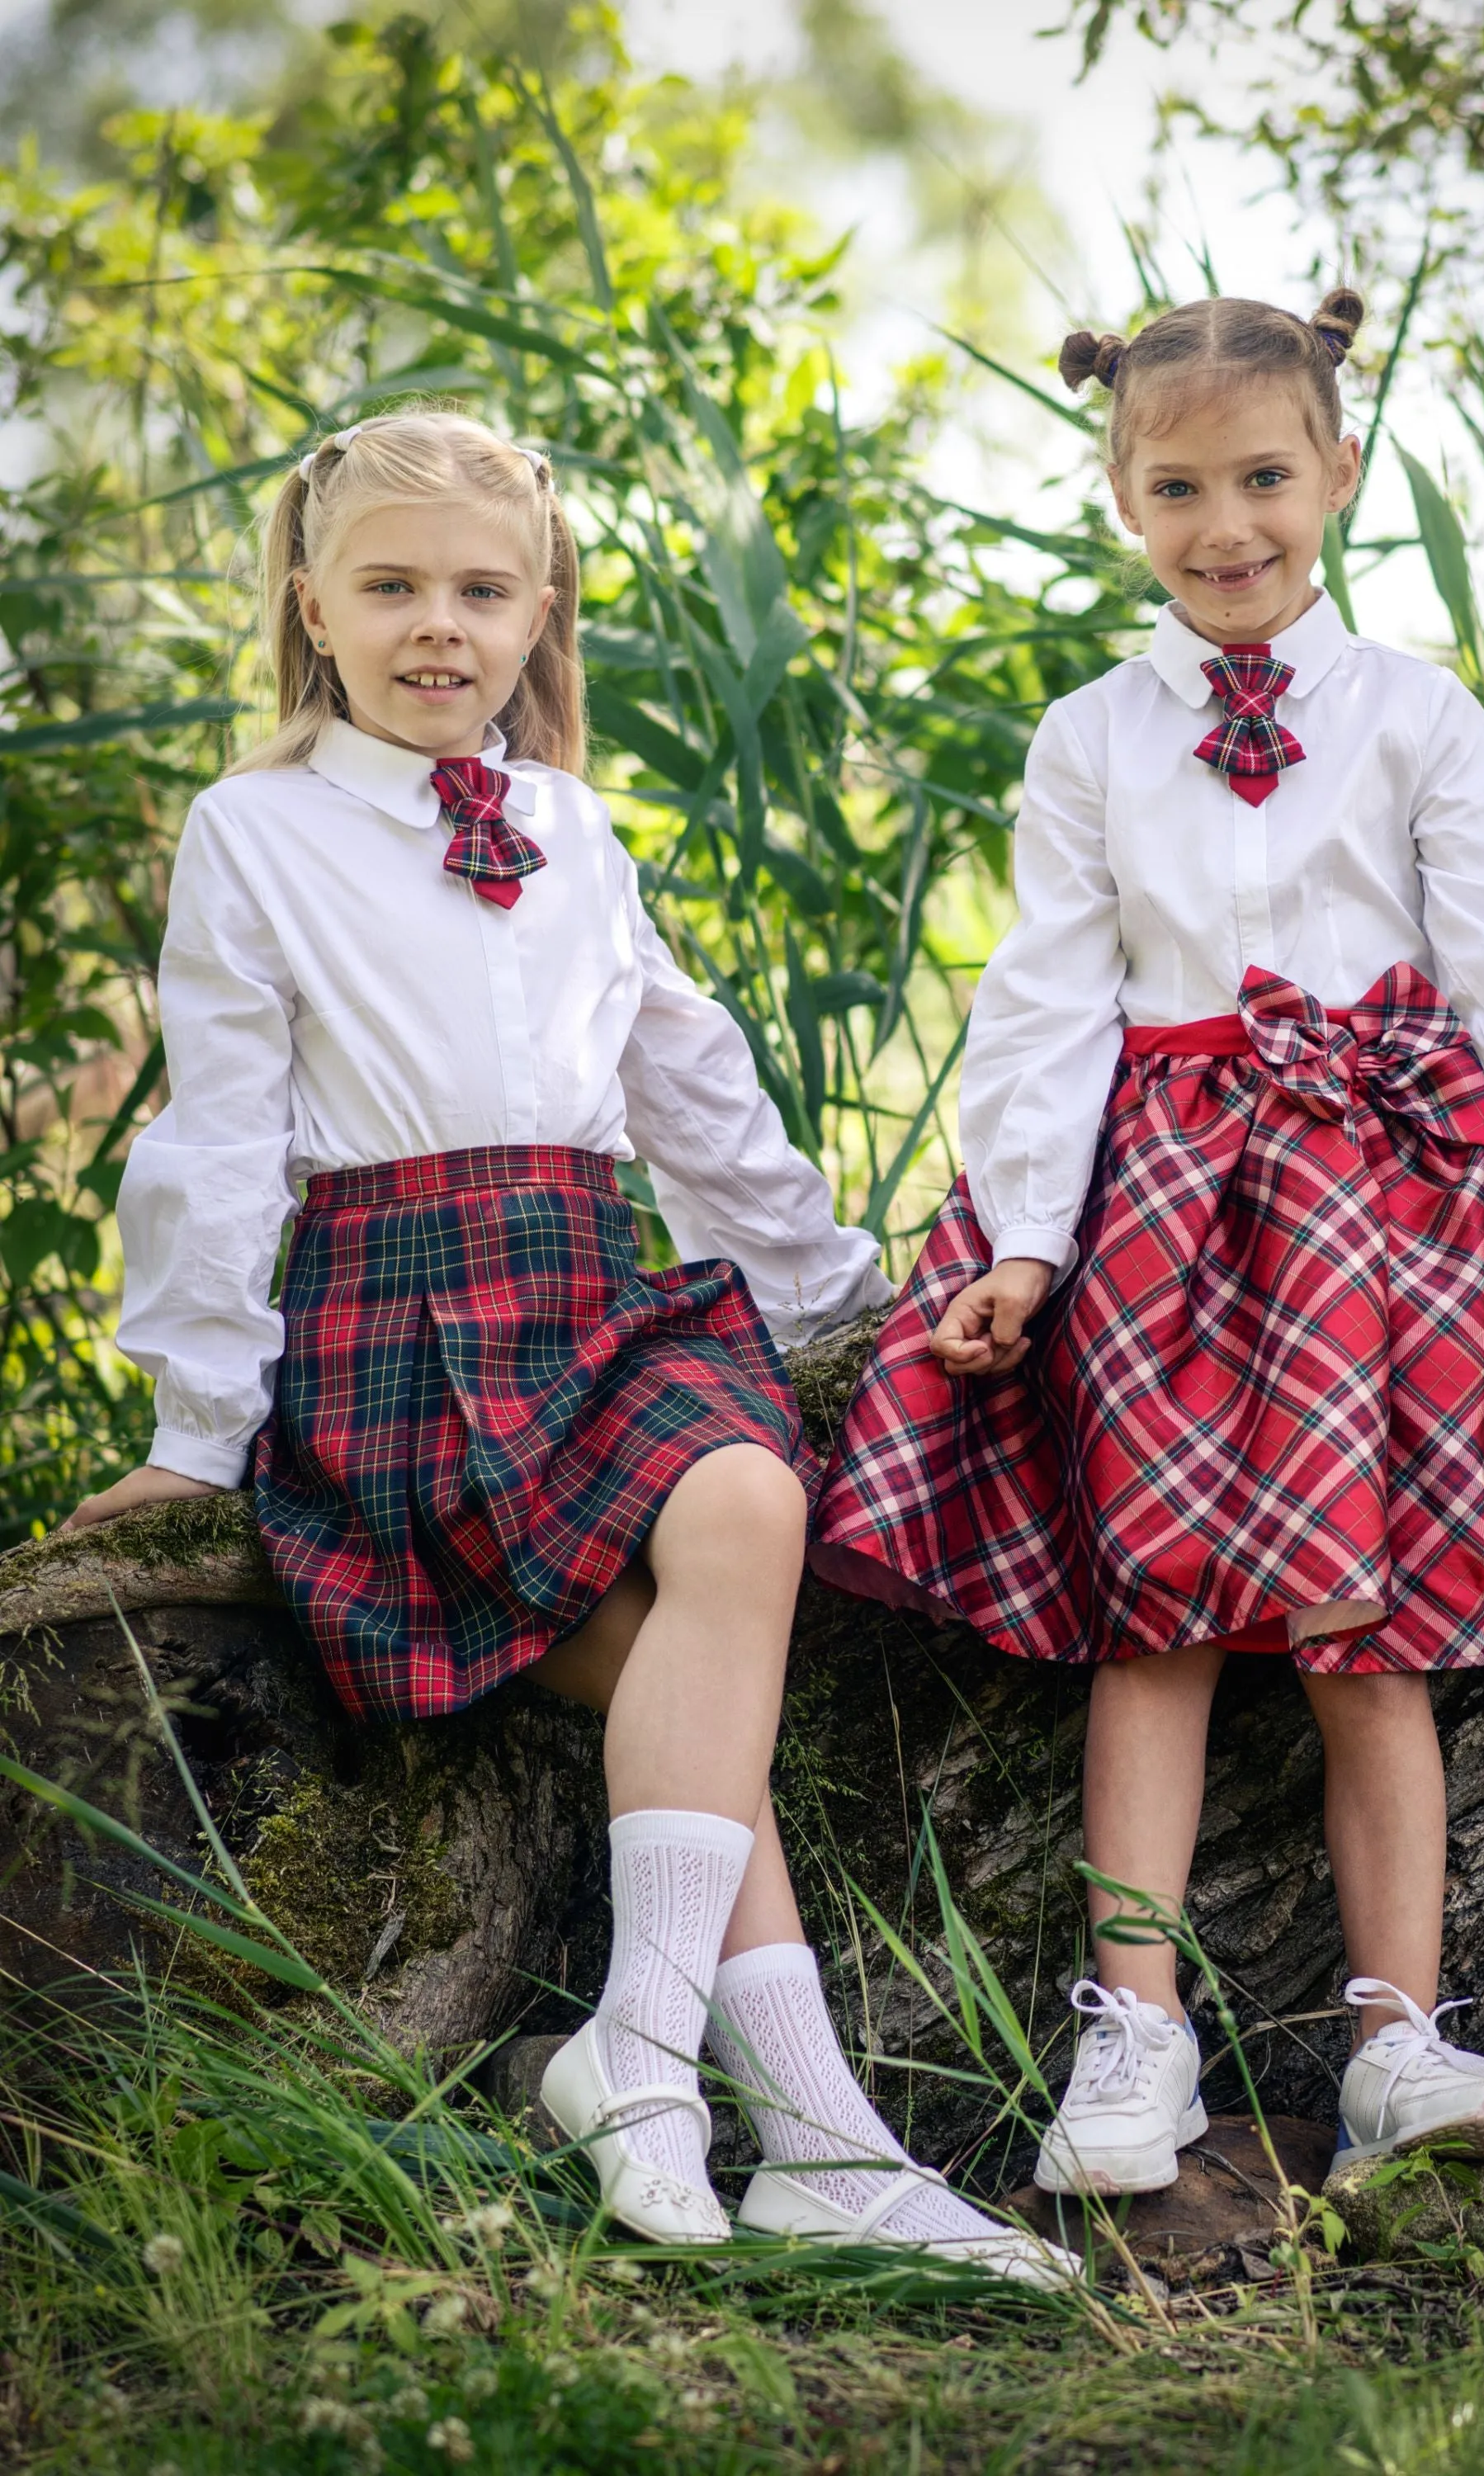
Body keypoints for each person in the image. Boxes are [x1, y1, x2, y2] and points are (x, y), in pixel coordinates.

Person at [64, 409, 1066, 2280]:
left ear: (540, 615)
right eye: (390, 588)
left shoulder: (576, 824)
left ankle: (654, 2065)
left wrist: (829, 1286)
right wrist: (201, 1431)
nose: (436, 627)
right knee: (698, 1707)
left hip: (594, 1294)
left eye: (478, 590)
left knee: (745, 1506)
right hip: (405, 1328)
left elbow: (680, 1071)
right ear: (312, 607)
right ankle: (816, 2139)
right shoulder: (258, 828)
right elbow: (212, 1132)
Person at [811, 294, 1484, 2192]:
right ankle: (1132, 2040)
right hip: (1164, 1208)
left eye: (1262, 476)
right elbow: (1051, 1001)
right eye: (1178, 487)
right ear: (1117, 497)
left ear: (1339, 470)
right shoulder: (1088, 739)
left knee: (1359, 1636)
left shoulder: (1418, 711)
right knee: (1152, 1628)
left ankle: (1397, 2040)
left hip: (1377, 1217)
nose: (1225, 523)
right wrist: (1020, 1240)